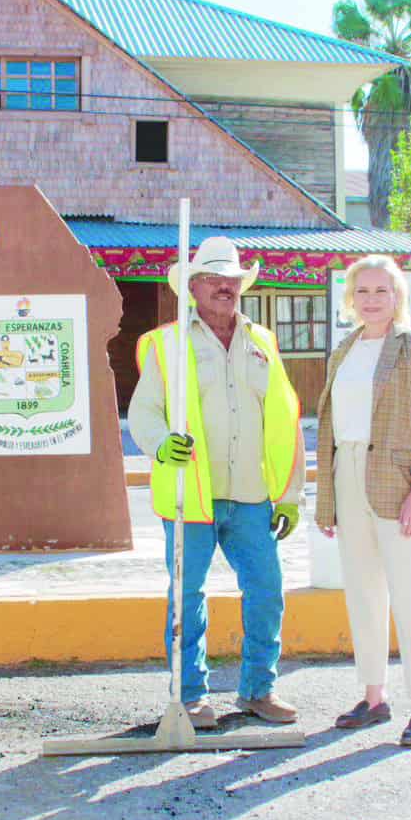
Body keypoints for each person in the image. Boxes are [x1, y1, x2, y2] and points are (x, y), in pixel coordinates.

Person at [128, 236, 306, 728]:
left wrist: (291, 493)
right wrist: (161, 444)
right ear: (192, 287)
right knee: (187, 597)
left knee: (267, 590)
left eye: (231, 279)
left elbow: (285, 417)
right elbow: (144, 412)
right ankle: (189, 697)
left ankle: (259, 690)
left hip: (252, 495)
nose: (224, 286)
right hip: (192, 497)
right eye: (213, 278)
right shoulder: (167, 344)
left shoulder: (263, 343)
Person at [314, 255, 411, 747]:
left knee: (409, 596)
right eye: (363, 292)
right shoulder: (344, 349)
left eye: (381, 292)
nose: (372, 300)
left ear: (398, 297)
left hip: (398, 482)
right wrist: (327, 500)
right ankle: (373, 697)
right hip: (347, 476)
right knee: (362, 594)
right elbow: (328, 429)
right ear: (350, 298)